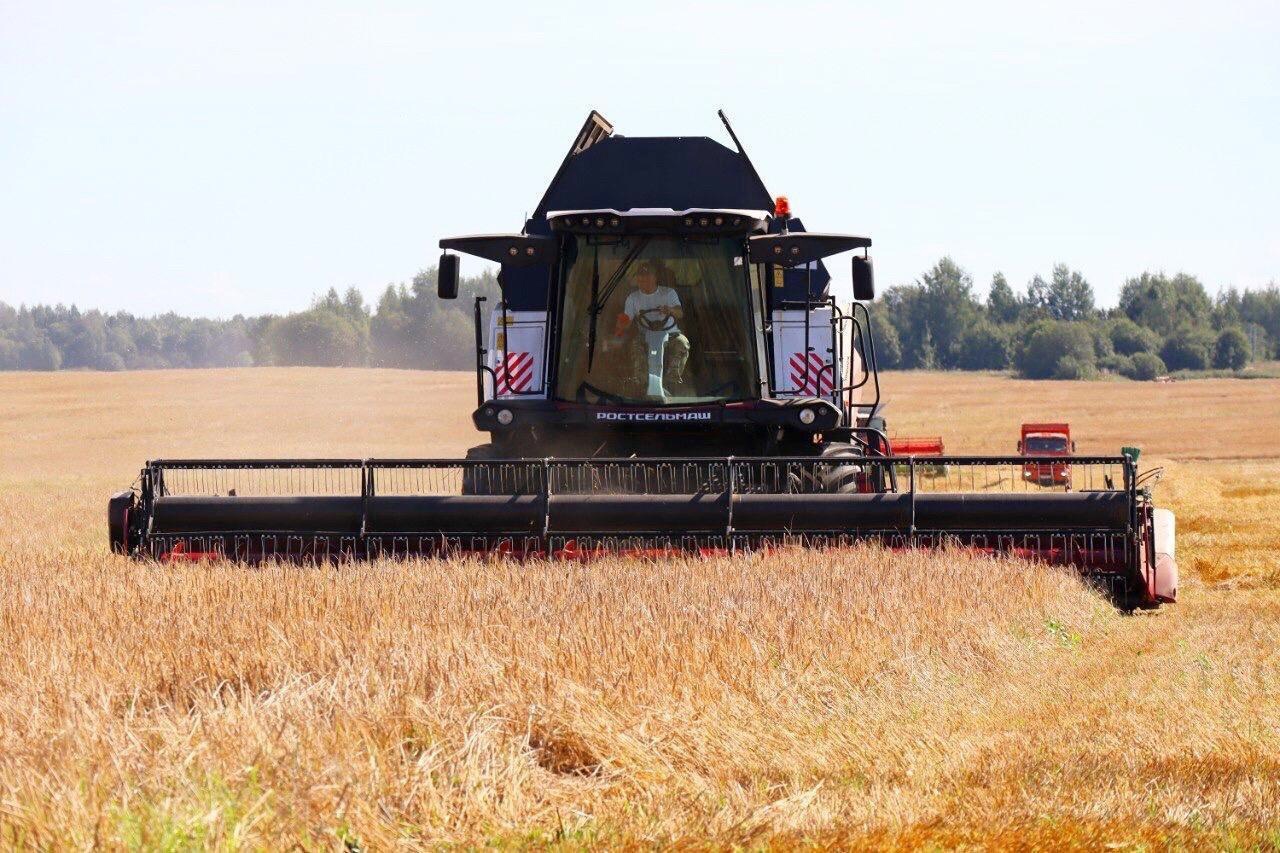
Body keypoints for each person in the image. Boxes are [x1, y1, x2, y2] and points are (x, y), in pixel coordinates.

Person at [613, 259, 690, 392]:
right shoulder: (633, 298)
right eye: (640, 278)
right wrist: (620, 327)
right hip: (645, 336)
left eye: (647, 277)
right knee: (635, 345)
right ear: (637, 279)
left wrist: (670, 310)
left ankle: (671, 383)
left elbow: (680, 313)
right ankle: (642, 384)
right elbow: (626, 320)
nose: (643, 281)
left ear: (655, 278)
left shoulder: (668, 293)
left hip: (671, 335)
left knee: (682, 344)